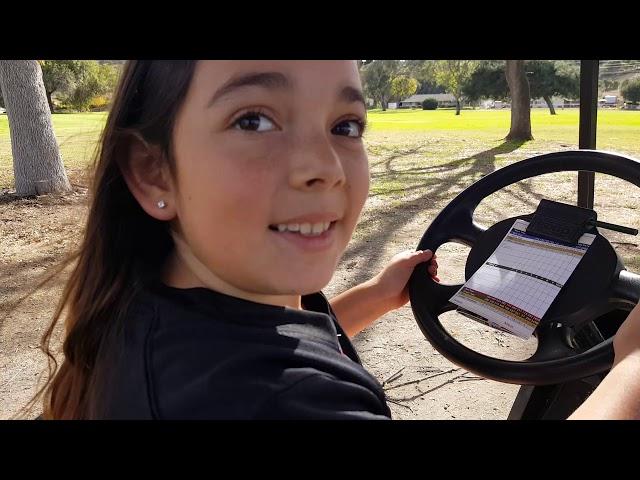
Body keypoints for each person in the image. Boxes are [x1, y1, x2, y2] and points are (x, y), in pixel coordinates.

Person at [29, 60, 639, 419]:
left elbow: (282, 342)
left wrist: (375, 296)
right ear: (153, 171)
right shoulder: (289, 404)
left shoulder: (149, 311)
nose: (324, 165)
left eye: (345, 126)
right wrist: (630, 372)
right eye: (254, 120)